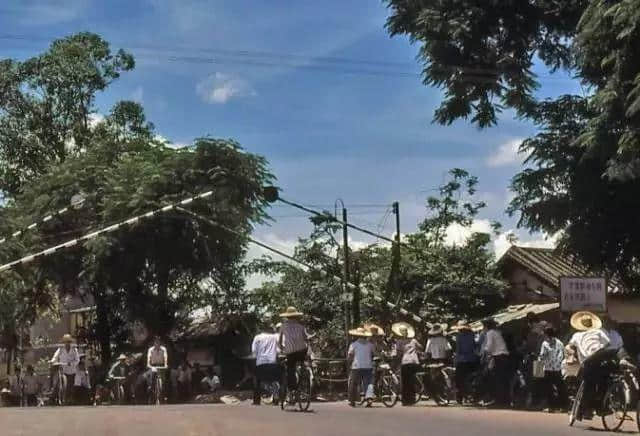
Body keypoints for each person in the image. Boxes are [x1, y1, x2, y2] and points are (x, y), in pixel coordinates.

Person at [567, 311, 618, 418]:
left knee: (590, 385)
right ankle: (600, 407)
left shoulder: (577, 335)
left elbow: (569, 347)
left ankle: (586, 410)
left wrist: (572, 354)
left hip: (588, 363)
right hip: (599, 360)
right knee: (605, 381)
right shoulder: (598, 332)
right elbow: (607, 345)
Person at [278, 306, 309, 393]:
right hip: (302, 351)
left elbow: (279, 341)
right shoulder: (301, 326)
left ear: (287, 317)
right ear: (296, 316)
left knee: (290, 369)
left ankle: (293, 388)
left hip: (290, 352)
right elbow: (306, 338)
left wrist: (281, 348)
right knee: (302, 361)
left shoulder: (283, 326)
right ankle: (303, 373)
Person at [391, 322, 422, 406]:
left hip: (405, 362)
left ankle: (406, 401)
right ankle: (412, 399)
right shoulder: (414, 340)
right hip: (414, 361)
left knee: (405, 381)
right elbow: (420, 347)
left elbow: (398, 353)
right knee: (411, 380)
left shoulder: (399, 341)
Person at [481, 318, 510, 408]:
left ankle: (499, 401)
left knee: (497, 379)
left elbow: (489, 346)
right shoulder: (497, 332)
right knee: (503, 379)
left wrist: (483, 354)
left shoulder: (490, 333)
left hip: (499, 357)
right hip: (504, 356)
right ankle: (506, 401)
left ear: (486, 326)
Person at [538, 326, 568, 412]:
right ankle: (564, 406)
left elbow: (542, 356)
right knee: (561, 388)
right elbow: (562, 355)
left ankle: (552, 407)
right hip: (557, 368)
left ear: (546, 334)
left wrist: (539, 365)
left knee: (548, 388)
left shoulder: (545, 343)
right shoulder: (560, 343)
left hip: (548, 368)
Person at [252, 322, 281, 405]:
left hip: (260, 363)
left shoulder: (257, 337)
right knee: (275, 380)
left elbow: (254, 351)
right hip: (272, 363)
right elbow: (279, 350)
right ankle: (276, 399)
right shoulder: (275, 337)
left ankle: (256, 400)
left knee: (257, 380)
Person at [347, 327, 375, 407]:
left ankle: (352, 400)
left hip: (357, 366)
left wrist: (349, 363)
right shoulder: (370, 345)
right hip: (368, 366)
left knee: (353, 383)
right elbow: (374, 353)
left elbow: (349, 355)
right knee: (368, 383)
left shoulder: (353, 344)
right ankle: (369, 399)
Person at [453, 320, 479, 405]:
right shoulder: (472, 335)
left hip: (462, 360)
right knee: (472, 379)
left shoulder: (459, 336)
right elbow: (475, 347)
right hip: (472, 359)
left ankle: (460, 398)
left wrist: (456, 360)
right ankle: (473, 396)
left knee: (459, 380)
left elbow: (458, 350)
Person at [50, 334, 80, 403]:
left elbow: (77, 360)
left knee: (70, 386)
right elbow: (55, 356)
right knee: (62, 384)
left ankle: (70, 400)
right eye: (66, 342)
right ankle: (60, 398)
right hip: (63, 370)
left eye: (68, 342)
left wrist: (71, 364)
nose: (67, 343)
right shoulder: (60, 349)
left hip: (72, 371)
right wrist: (52, 361)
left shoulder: (74, 350)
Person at [146, 336, 169, 402]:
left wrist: (166, 364)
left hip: (161, 365)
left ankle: (164, 394)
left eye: (158, 342)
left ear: (160, 342)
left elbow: (165, 357)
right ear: (154, 343)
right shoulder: (150, 349)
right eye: (156, 342)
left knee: (164, 379)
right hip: (153, 365)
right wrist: (148, 364)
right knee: (153, 375)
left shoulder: (163, 349)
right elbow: (149, 357)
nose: (157, 343)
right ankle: (151, 389)